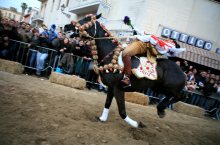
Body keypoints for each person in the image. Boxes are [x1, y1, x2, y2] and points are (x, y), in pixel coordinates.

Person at [121, 33, 186, 87]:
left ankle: (127, 77)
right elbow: (151, 36)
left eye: (169, 39)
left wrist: (140, 37)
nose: (167, 39)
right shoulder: (167, 47)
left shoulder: (167, 46)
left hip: (143, 47)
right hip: (145, 48)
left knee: (126, 53)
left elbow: (152, 37)